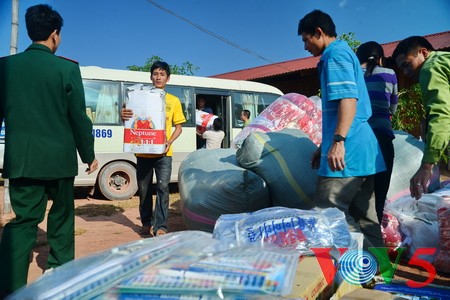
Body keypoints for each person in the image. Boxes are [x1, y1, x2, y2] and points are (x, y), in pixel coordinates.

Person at [0, 4, 98, 296]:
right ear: (55, 34)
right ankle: (59, 270)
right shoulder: (67, 68)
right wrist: (88, 154)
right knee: (62, 216)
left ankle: (10, 286)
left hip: (22, 161)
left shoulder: (5, 67)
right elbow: (78, 117)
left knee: (22, 222)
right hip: (59, 160)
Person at [298, 9, 386, 249]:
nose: (305, 47)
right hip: (362, 149)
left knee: (329, 212)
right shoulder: (344, 53)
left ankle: (357, 269)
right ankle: (382, 272)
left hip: (349, 151)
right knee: (366, 217)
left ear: (319, 32)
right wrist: (324, 145)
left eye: (306, 39)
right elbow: (339, 110)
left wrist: (337, 142)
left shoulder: (334, 55)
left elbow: (348, 99)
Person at [121, 61, 186, 237]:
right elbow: (129, 121)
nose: (158, 77)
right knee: (144, 190)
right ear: (151, 77)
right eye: (155, 74)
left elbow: (178, 127)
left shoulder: (173, 101)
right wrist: (123, 115)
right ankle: (146, 223)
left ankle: (161, 226)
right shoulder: (138, 98)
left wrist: (169, 142)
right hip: (142, 152)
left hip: (164, 154)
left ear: (168, 78)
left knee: (163, 188)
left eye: (162, 74)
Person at [392, 36, 450, 200]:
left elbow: (441, 116)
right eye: (401, 68)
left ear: (423, 53)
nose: (406, 72)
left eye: (407, 64)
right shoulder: (444, 61)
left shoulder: (429, 68)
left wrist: (427, 165)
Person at [356, 41, 399, 223]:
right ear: (380, 58)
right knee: (380, 191)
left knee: (358, 190)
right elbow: (393, 109)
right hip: (382, 136)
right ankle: (375, 230)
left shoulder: (354, 75)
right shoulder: (390, 74)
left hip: (359, 138)